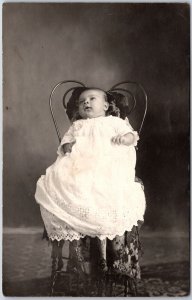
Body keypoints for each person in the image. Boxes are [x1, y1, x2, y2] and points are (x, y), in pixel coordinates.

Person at [35, 87, 146, 272]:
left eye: (92, 99)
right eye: (81, 101)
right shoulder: (77, 125)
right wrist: (67, 146)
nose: (86, 102)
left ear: (105, 106)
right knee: (63, 179)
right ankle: (77, 230)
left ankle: (107, 250)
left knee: (105, 183)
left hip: (108, 162)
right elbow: (65, 142)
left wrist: (125, 139)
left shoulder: (113, 122)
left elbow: (132, 135)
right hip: (82, 164)